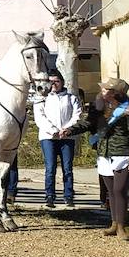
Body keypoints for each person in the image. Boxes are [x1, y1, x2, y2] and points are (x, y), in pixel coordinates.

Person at [90, 78, 129, 240]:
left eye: (107, 90)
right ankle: (114, 223)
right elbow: (88, 124)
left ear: (116, 93)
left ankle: (122, 227)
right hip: (105, 153)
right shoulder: (100, 107)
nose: (103, 92)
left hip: (123, 153)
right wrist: (69, 130)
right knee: (111, 192)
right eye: (103, 89)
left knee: (119, 190)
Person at [33, 70, 82, 208]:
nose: (54, 84)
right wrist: (53, 130)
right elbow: (40, 117)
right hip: (48, 137)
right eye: (51, 81)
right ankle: (49, 196)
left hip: (67, 137)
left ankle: (68, 195)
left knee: (67, 168)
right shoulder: (41, 98)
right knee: (50, 167)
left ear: (62, 82)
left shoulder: (71, 98)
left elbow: (76, 115)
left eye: (57, 81)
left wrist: (67, 129)